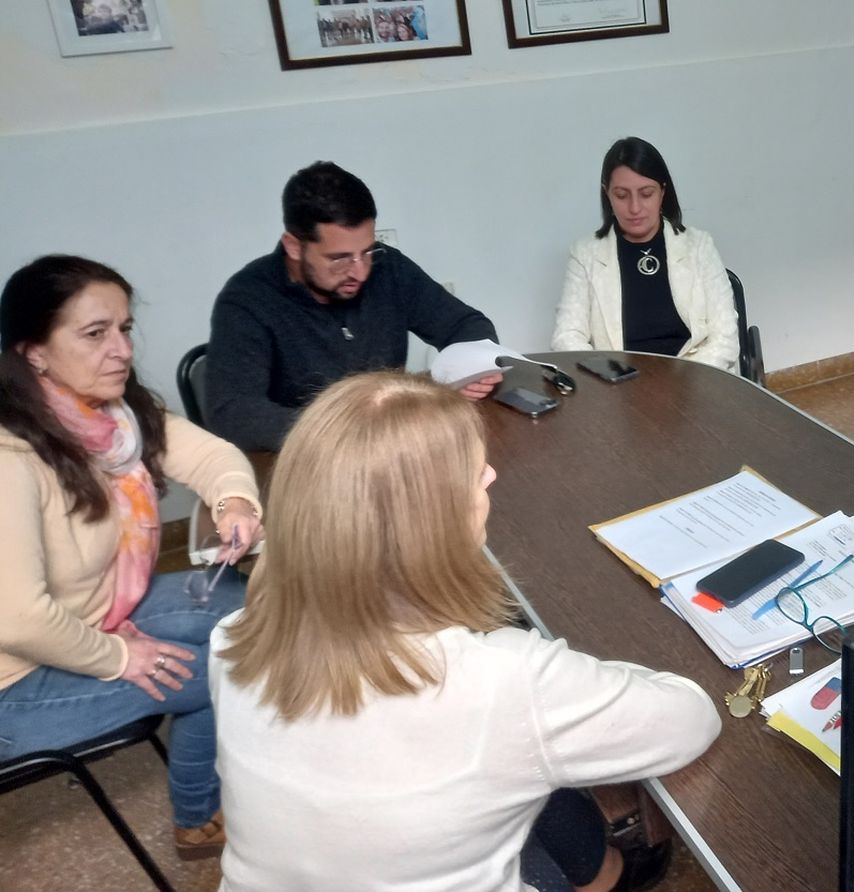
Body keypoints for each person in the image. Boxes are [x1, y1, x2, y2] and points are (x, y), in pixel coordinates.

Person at [209, 371, 721, 891]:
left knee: (523, 768)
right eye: (474, 472)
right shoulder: (505, 680)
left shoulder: (230, 638)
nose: (492, 476)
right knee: (536, 755)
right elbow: (690, 719)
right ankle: (610, 867)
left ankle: (602, 871)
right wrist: (584, 676)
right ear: (429, 521)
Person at [0, 255, 262, 859]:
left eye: (123, 329)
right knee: (220, 671)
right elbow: (18, 617)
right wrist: (119, 657)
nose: (120, 350)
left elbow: (212, 456)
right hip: (13, 682)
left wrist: (234, 503)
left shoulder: (113, 416)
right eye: (95, 334)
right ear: (34, 352)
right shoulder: (11, 453)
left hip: (89, 615)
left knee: (248, 613)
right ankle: (198, 818)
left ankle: (235, 768)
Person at [207, 161, 502, 452]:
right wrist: (352, 431)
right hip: (307, 463)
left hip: (393, 451)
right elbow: (233, 413)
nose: (360, 272)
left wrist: (473, 368)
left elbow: (466, 325)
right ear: (294, 246)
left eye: (367, 251)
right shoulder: (247, 300)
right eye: (339, 258)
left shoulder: (388, 269)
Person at [552, 137, 740, 372]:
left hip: (696, 380)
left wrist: (685, 383)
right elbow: (567, 337)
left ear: (662, 192)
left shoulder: (699, 246)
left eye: (646, 194)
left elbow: (726, 337)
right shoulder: (585, 254)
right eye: (621, 195)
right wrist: (611, 376)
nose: (634, 208)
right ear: (607, 194)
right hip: (620, 387)